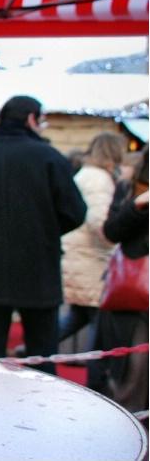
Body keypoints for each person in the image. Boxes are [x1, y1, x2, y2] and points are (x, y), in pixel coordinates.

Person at [0, 95, 86, 375]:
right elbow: (75, 212)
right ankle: (42, 416)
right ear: (32, 119)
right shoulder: (49, 158)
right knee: (42, 357)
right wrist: (43, 230)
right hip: (38, 270)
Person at [93, 147, 148, 413]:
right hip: (136, 293)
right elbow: (111, 231)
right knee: (134, 373)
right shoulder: (131, 187)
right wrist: (139, 205)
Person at [59, 133, 125, 348]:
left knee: (79, 317)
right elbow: (100, 222)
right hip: (91, 258)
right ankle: (96, 379)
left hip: (80, 254)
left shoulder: (87, 174)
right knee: (98, 327)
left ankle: (34, 349)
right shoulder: (99, 180)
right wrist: (115, 240)